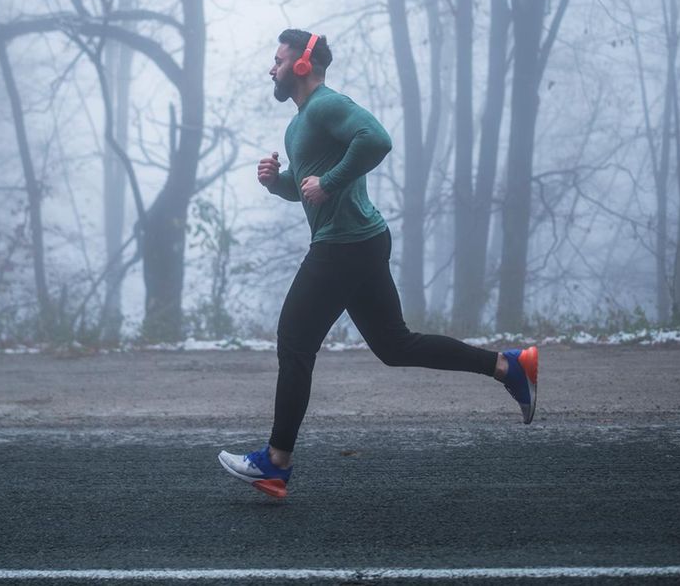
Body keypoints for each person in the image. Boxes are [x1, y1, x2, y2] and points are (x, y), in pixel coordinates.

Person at [217, 29, 538, 499]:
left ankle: (276, 462)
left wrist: (328, 182)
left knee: (294, 341)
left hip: (344, 246)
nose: (272, 68)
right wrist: (277, 183)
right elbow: (305, 187)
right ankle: (509, 367)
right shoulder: (300, 122)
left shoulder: (327, 104)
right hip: (360, 242)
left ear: (302, 66)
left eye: (279, 60)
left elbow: (377, 140)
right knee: (395, 345)